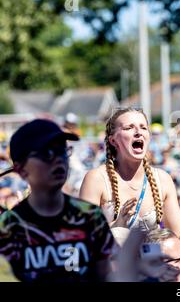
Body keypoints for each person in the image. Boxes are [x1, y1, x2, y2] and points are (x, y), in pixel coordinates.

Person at [79, 108, 180, 254]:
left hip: (152, 272)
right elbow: (83, 241)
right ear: (113, 140)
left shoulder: (162, 180)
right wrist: (117, 226)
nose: (138, 132)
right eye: (129, 127)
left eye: (143, 127)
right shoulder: (96, 179)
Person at [0, 119, 115, 282]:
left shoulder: (90, 216)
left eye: (62, 150)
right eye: (46, 153)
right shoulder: (8, 229)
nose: (59, 159)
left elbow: (106, 276)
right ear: (21, 169)